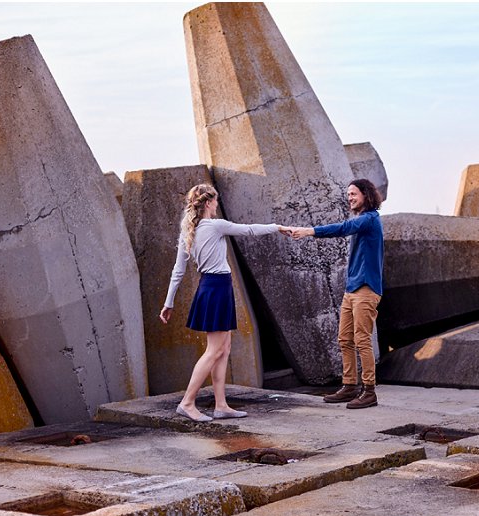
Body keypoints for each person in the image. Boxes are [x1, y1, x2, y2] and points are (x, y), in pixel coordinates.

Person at [160, 184, 290, 422]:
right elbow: (249, 229)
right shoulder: (214, 225)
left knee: (224, 349)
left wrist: (168, 303)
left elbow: (177, 271)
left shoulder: (188, 230)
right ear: (209, 202)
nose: (217, 205)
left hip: (212, 287)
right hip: (217, 288)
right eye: (216, 201)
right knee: (214, 350)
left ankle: (221, 405)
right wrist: (277, 227)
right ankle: (187, 403)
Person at [287, 178, 384, 409]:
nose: (349, 197)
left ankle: (369, 391)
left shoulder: (369, 220)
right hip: (352, 289)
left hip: (366, 289)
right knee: (344, 339)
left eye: (354, 194)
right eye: (348, 194)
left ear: (366, 195)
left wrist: (310, 231)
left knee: (361, 340)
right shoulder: (361, 220)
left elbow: (342, 229)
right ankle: (349, 386)